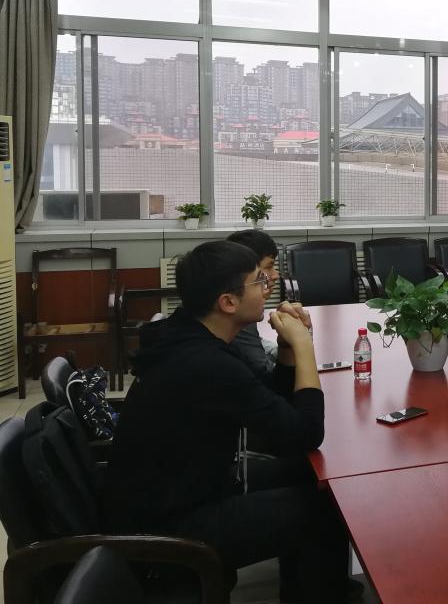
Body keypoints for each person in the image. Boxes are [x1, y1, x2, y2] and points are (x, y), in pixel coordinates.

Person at [102, 240, 359, 603]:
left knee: (313, 476)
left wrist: (287, 348)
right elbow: (305, 433)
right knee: (325, 508)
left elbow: (272, 404)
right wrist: (304, 346)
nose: (268, 286)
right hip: (166, 530)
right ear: (228, 302)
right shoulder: (207, 364)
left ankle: (317, 588)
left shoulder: (190, 336)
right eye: (259, 281)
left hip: (184, 491)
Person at [226, 228, 281, 379]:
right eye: (269, 267)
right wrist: (301, 343)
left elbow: (256, 344)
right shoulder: (237, 313)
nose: (276, 275)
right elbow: (268, 378)